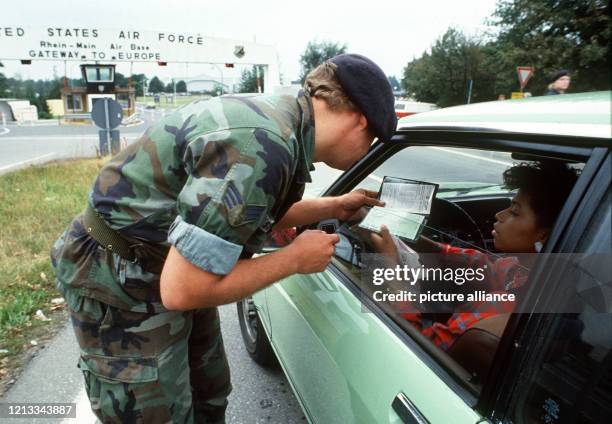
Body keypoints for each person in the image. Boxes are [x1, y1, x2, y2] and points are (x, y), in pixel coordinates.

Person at [51, 54, 397, 423]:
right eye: (374, 138)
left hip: (164, 262)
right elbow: (183, 290)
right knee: (155, 414)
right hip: (119, 277)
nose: (370, 148)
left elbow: (238, 212)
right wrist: (294, 260)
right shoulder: (263, 145)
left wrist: (333, 206)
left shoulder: (282, 122)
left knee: (208, 393)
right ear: (360, 121)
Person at [370, 161, 579, 350]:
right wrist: (416, 239)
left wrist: (393, 272)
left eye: (515, 212)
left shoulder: (504, 304)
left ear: (545, 234)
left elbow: (420, 345)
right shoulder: (529, 271)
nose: (499, 215)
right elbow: (482, 264)